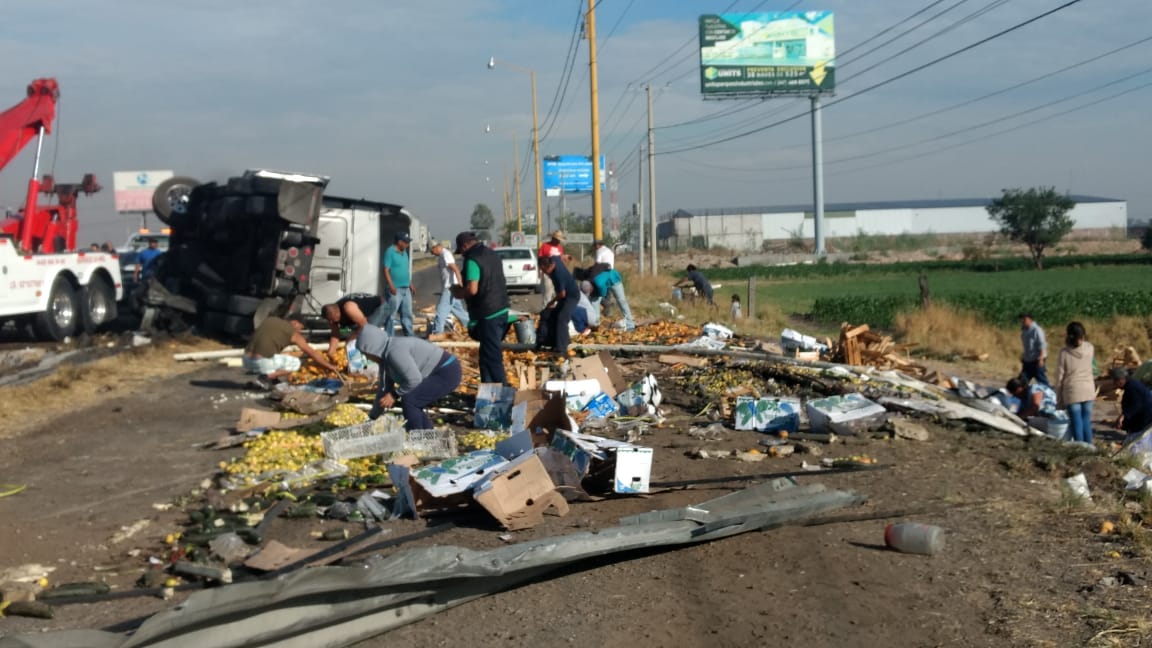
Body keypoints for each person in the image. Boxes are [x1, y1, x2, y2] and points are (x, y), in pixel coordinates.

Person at [356, 324, 461, 431]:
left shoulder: (394, 351)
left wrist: (394, 395)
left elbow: (414, 380)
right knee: (413, 400)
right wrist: (372, 418)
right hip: (438, 372)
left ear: (373, 349)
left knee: (410, 399)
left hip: (446, 371)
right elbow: (384, 390)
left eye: (366, 354)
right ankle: (427, 435)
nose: (367, 357)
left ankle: (417, 438)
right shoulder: (385, 362)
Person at [451, 231, 510, 384]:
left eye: (461, 252)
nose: (462, 255)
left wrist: (458, 292)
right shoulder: (492, 254)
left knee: (492, 357)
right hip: (501, 309)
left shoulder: (472, 259)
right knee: (485, 356)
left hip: (488, 313)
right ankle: (487, 391)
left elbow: (472, 289)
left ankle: (503, 394)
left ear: (464, 246)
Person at [243, 315, 337, 386]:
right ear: (295, 323)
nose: (300, 331)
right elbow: (312, 353)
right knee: (296, 363)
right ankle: (265, 377)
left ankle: (273, 379)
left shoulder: (270, 319)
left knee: (279, 354)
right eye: (301, 328)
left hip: (246, 359)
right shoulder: (293, 333)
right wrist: (329, 366)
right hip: (261, 362)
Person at [1054, 321, 1096, 444]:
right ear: (1082, 335)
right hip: (1088, 389)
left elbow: (1060, 377)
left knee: (1076, 422)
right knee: (1086, 421)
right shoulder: (1090, 348)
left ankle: (1080, 447)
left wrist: (1059, 399)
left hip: (1072, 391)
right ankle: (1090, 447)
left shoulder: (1064, 353)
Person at [537, 254, 580, 355]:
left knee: (562, 318)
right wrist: (567, 257)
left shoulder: (558, 274)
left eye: (544, 271)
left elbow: (562, 294)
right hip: (564, 296)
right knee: (552, 315)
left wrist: (551, 302)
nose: (545, 273)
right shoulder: (554, 259)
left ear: (550, 266)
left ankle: (561, 349)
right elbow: (560, 257)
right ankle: (554, 341)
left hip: (572, 296)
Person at [373, 232, 415, 336]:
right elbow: (386, 270)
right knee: (391, 314)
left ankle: (410, 336)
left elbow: (404, 270)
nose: (407, 244)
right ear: (399, 242)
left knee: (407, 314)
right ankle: (389, 338)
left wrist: (410, 283)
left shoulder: (404, 252)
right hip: (395, 289)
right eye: (405, 242)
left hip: (406, 288)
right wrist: (391, 285)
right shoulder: (390, 252)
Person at [429, 240, 470, 336]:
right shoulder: (441, 256)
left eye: (432, 251)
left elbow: (455, 268)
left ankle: (437, 333)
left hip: (450, 287)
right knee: (459, 311)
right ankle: (473, 326)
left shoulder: (445, 254)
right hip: (451, 287)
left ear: (435, 247)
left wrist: (460, 283)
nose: (432, 254)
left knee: (441, 310)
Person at [587, 263, 635, 331]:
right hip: (601, 282)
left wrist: (602, 296)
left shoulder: (597, 281)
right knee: (594, 302)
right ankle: (595, 326)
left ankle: (630, 325)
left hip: (613, 279)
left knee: (622, 300)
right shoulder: (590, 280)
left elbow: (602, 291)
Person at [1019, 313, 1049, 386]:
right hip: (1027, 360)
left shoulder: (1036, 330)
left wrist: (1041, 358)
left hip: (1037, 360)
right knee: (1022, 380)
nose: (1023, 321)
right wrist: (1024, 356)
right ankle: (1021, 395)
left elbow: (1042, 344)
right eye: (1022, 320)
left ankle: (1050, 394)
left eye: (1024, 319)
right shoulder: (1024, 330)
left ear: (1030, 320)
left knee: (1041, 380)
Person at [538, 231, 565, 306]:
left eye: (559, 240)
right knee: (548, 292)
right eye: (557, 239)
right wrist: (540, 272)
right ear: (553, 238)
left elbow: (561, 260)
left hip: (558, 274)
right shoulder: (545, 246)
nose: (558, 241)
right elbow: (540, 259)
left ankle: (554, 311)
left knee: (557, 293)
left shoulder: (560, 248)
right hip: (548, 273)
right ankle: (545, 310)